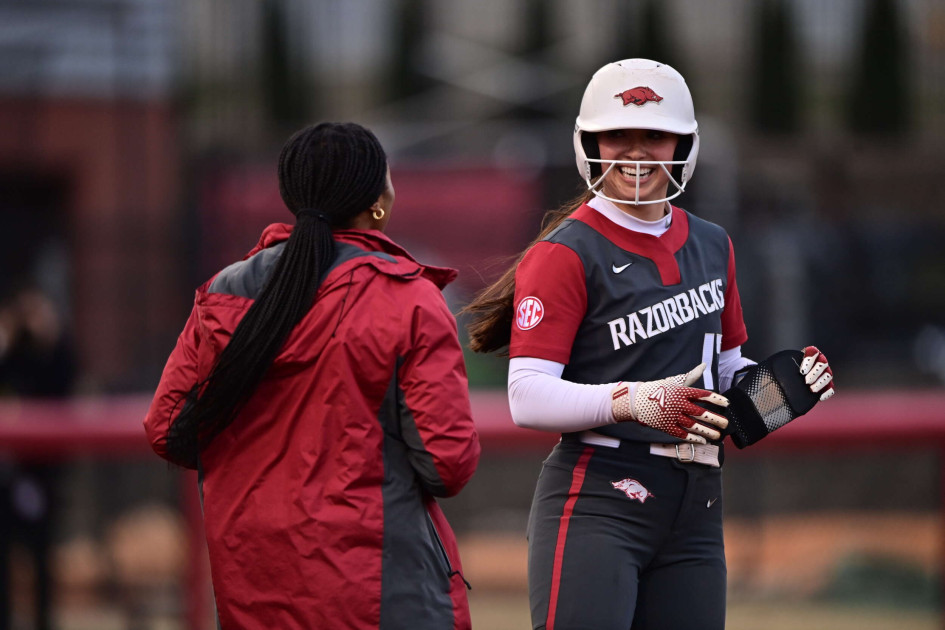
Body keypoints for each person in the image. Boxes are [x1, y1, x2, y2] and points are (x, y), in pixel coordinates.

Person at [464, 59, 835, 630]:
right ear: (590, 143)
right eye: (619, 135)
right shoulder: (566, 253)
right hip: (600, 497)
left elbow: (727, 368)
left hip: (698, 500)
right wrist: (632, 401)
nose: (636, 153)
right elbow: (526, 396)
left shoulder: (713, 244)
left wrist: (776, 389)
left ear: (682, 144)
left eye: (654, 136)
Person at [144, 122, 481, 629]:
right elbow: (447, 464)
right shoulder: (408, 298)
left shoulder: (223, 290)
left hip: (254, 585)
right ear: (378, 201)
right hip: (382, 593)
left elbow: (168, 428)